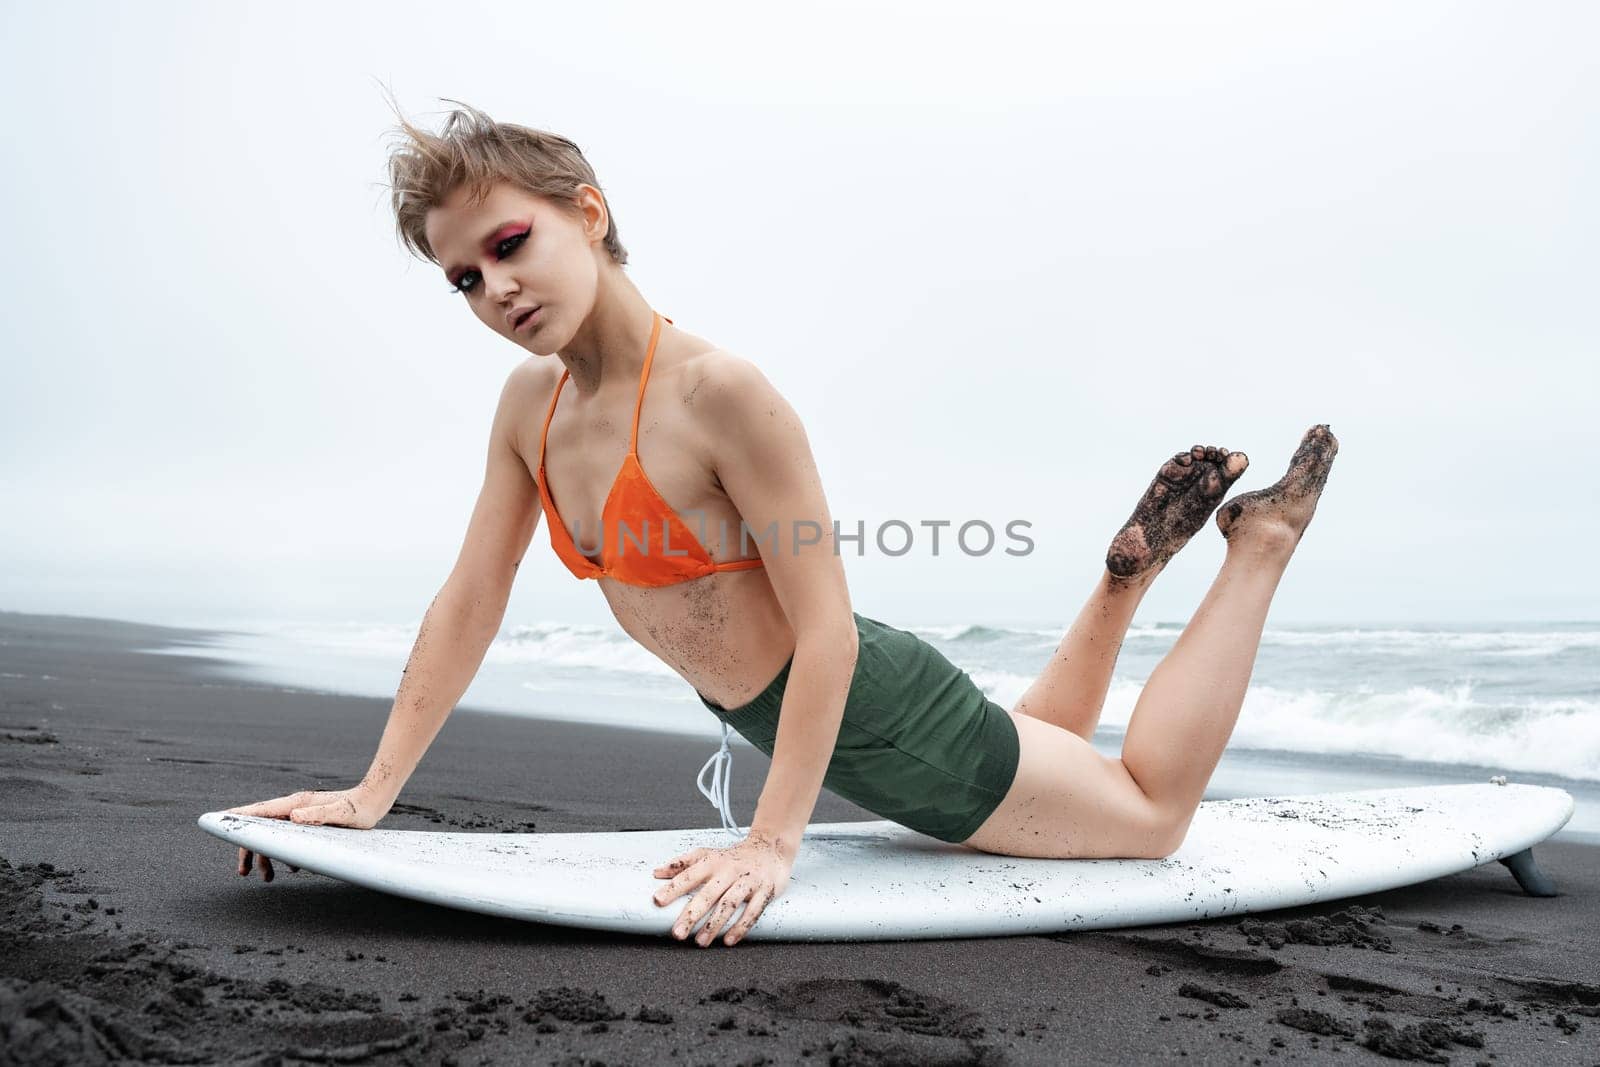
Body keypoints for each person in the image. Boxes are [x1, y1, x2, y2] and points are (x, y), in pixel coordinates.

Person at [226, 102, 1338, 949]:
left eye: (510, 244)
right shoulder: (533, 406)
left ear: (588, 212)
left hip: (873, 711)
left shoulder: (720, 393)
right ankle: (1120, 586)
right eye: (464, 278)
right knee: (1031, 744)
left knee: (1150, 820)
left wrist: (772, 840)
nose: (495, 290)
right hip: (855, 713)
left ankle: (1260, 549)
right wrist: (373, 791)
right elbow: (471, 599)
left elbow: (830, 628)